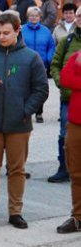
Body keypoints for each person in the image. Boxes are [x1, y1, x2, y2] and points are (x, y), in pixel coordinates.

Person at [0, 11, 49, 229]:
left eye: (6, 33)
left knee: (17, 169)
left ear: (17, 31)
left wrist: (26, 110)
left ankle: (16, 211)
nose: (2, 37)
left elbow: (41, 89)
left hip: (19, 124)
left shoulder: (31, 57)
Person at [47, 21, 81, 183]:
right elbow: (55, 65)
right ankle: (64, 168)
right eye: (80, 15)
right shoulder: (67, 41)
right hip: (68, 99)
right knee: (64, 135)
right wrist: (61, 83)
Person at [57, 51, 81, 233]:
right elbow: (65, 79)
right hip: (75, 123)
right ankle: (78, 216)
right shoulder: (77, 56)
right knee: (76, 172)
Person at [23, 6, 56, 123]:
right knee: (25, 88)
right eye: (31, 15)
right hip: (25, 64)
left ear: (40, 17)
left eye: (36, 16)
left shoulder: (46, 31)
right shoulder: (22, 30)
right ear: (28, 17)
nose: (34, 18)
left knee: (40, 88)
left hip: (41, 64)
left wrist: (48, 58)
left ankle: (39, 113)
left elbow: (51, 46)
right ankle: (26, 111)